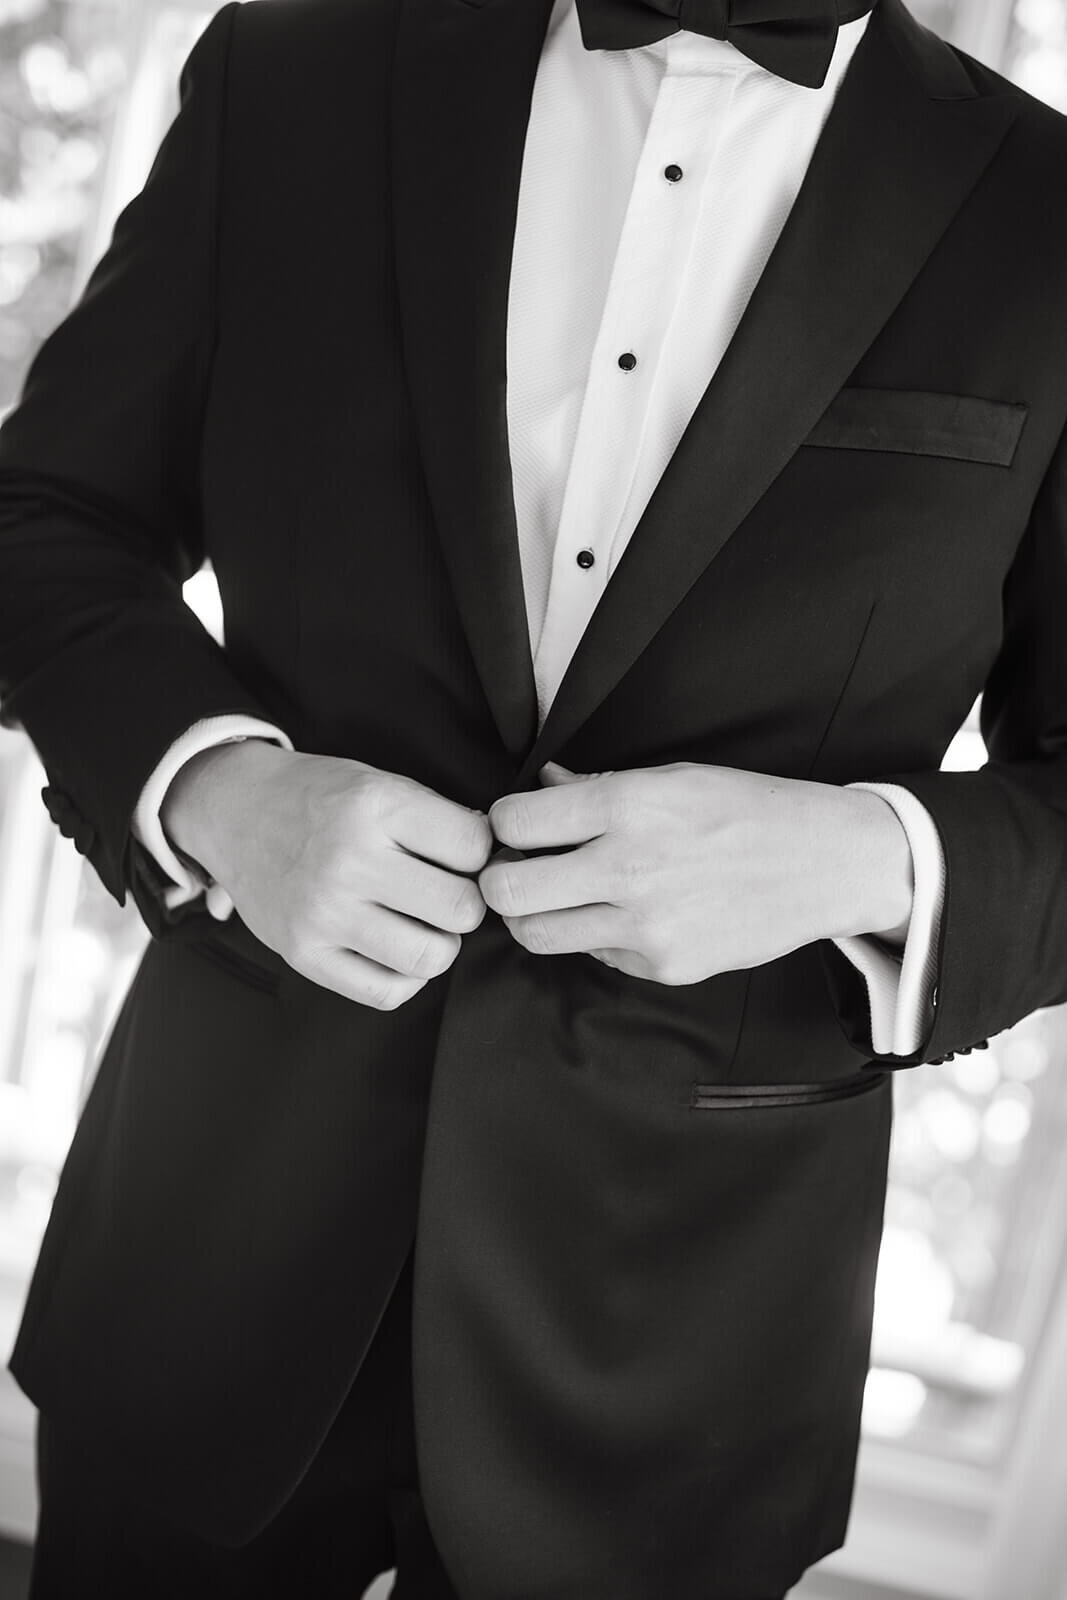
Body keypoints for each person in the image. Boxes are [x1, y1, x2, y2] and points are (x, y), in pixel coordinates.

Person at [0, 0, 1065, 1593]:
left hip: (678, 1363)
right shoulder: (296, 75)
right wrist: (220, 789)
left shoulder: (1047, 215)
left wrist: (855, 858)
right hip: (211, 1256)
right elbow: (46, 519)